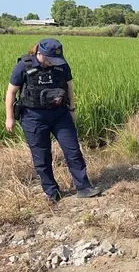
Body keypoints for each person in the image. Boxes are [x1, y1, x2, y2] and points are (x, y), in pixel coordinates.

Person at [4, 38, 101, 205]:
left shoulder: (61, 65)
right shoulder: (24, 66)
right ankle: (52, 191)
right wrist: (10, 117)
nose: (52, 62)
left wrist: (72, 109)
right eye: (49, 59)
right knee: (41, 157)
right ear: (39, 53)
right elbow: (11, 93)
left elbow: (69, 88)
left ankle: (84, 187)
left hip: (60, 114)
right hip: (33, 117)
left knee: (73, 151)